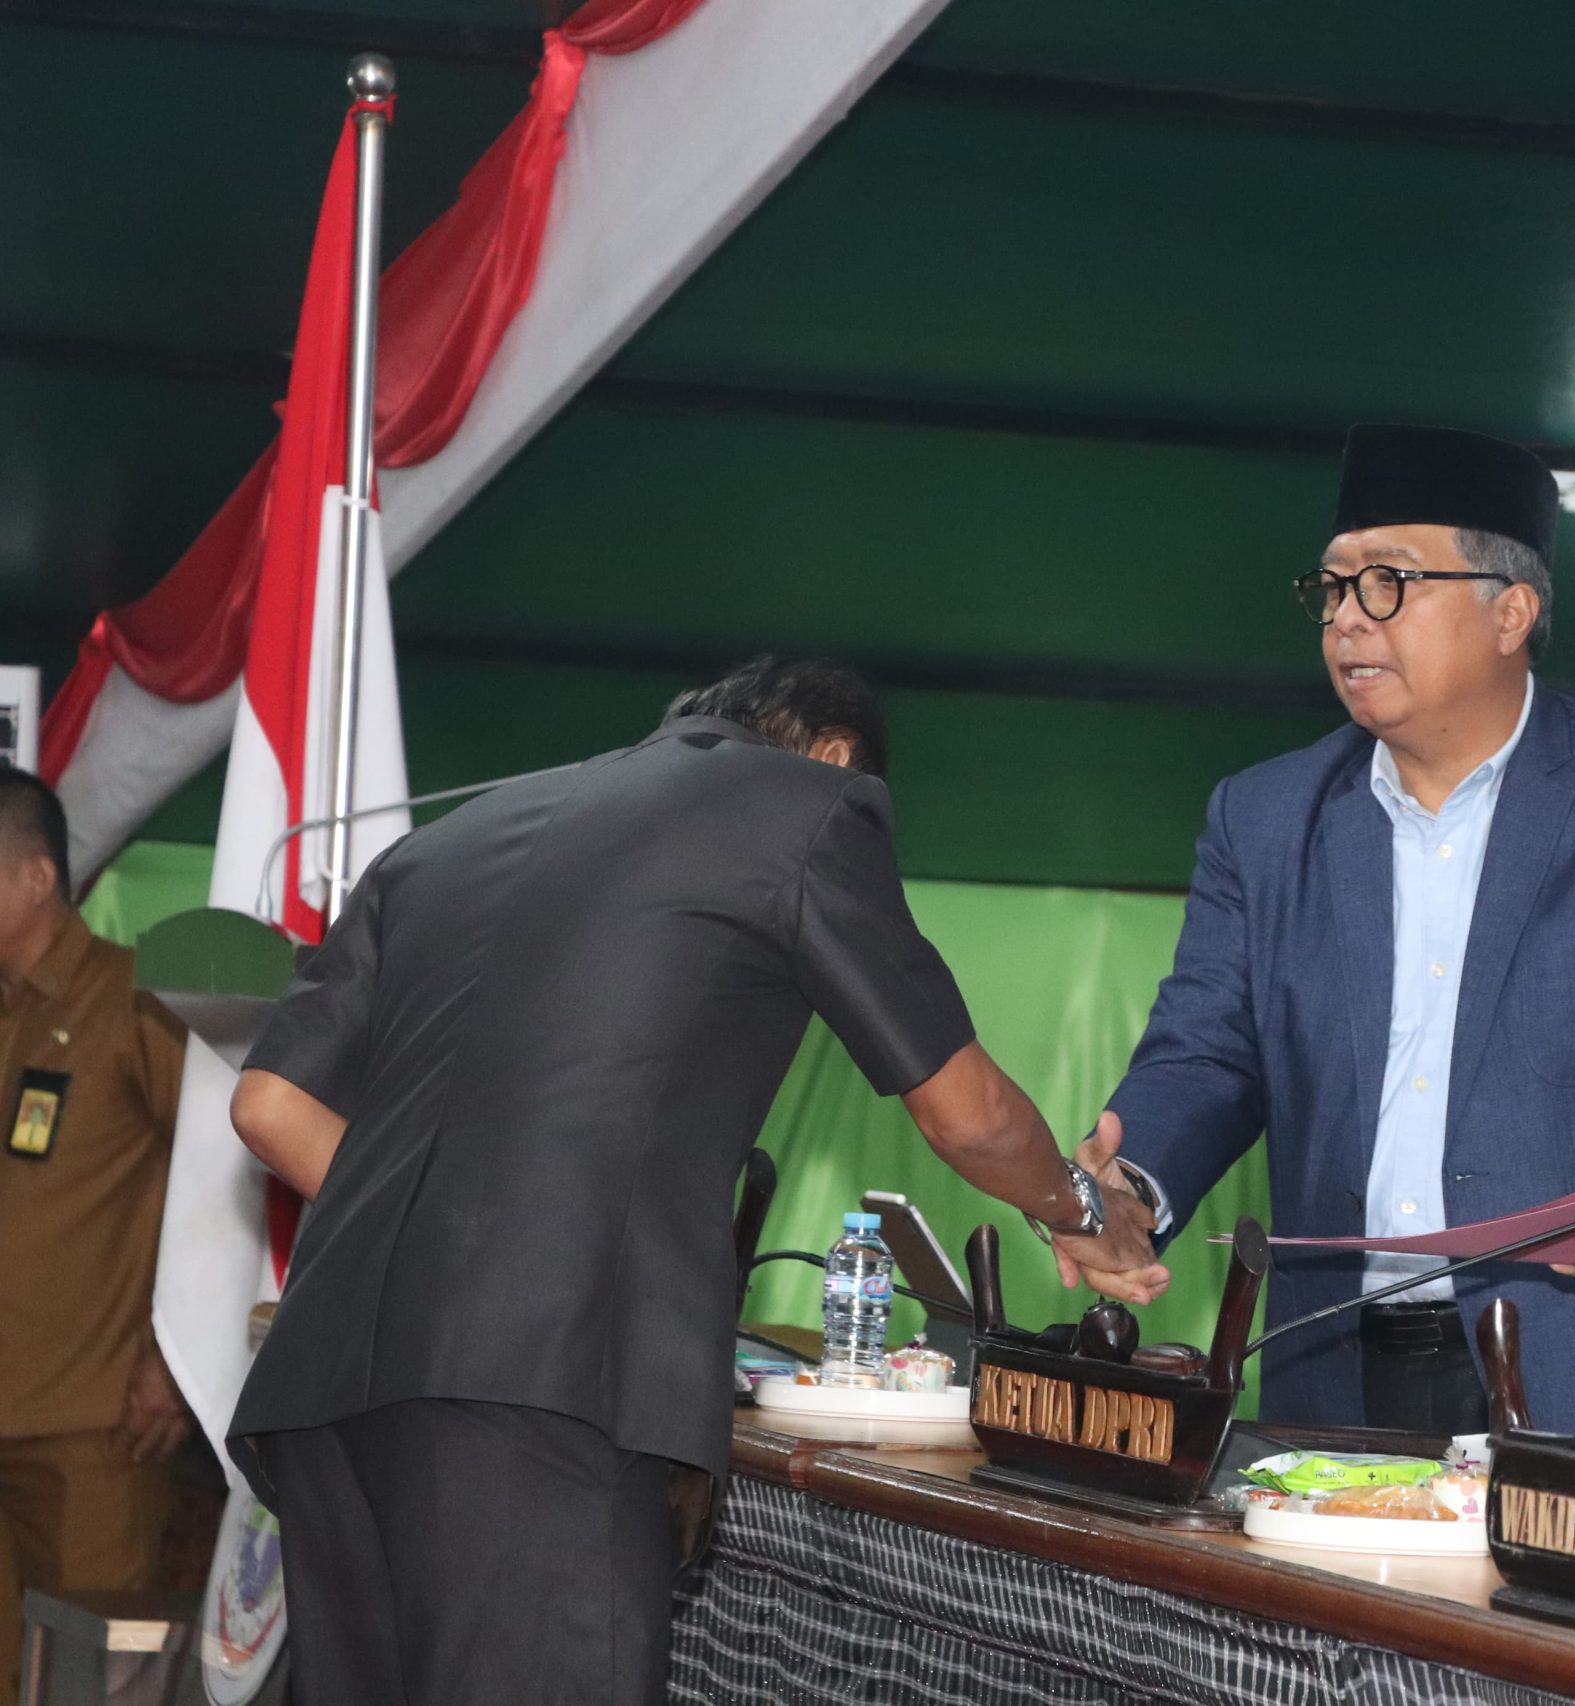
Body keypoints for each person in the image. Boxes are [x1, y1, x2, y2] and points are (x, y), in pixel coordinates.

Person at [227, 657, 1168, 1706]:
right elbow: (967, 1112)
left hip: (323, 1392)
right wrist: (1082, 1209)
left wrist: (453, 1226)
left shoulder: (444, 838)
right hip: (544, 1391)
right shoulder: (808, 802)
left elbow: (267, 1102)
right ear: (835, 754)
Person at [1093, 425, 1575, 1436]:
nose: (1347, 618)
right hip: (1336, 1375)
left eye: (1388, 582)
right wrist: (1128, 1188)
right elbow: (1206, 1054)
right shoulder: (1265, 819)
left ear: (1510, 611)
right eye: (1332, 588)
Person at [0, 767, 190, 1706]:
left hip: (92, 1429)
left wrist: (175, 1356)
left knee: (91, 1683)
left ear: (36, 877)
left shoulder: (133, 1000)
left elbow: (225, 1175)